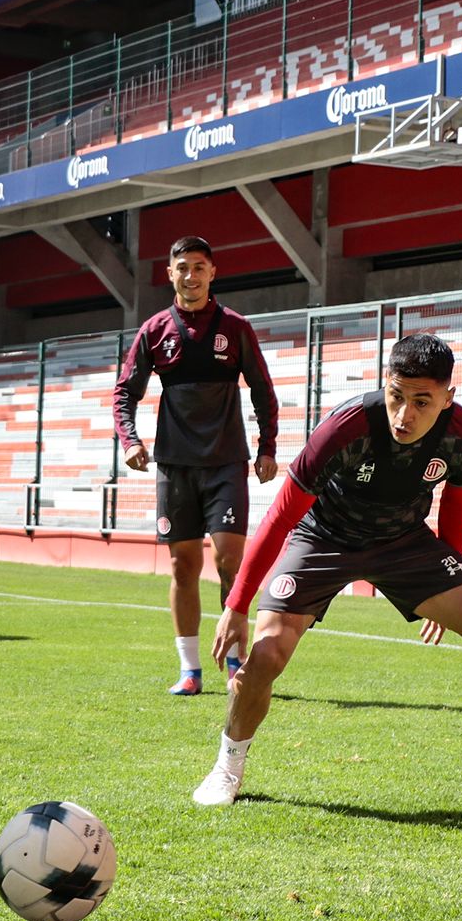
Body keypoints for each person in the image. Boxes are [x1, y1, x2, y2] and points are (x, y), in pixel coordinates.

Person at [193, 334, 462, 807]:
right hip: (324, 538)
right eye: (397, 396)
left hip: (403, 540)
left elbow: (455, 507)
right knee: (266, 655)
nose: (404, 415)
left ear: (448, 398)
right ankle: (227, 768)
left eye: (422, 402)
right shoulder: (344, 428)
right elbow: (281, 517)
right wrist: (237, 605)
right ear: (386, 384)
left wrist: (449, 582)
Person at [113, 235, 280, 696]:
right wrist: (130, 441)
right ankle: (190, 670)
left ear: (213, 272)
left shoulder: (235, 327)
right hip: (174, 464)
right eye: (182, 267)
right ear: (170, 274)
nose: (191, 275)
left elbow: (262, 389)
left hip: (227, 460)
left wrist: (268, 446)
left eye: (199, 267)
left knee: (230, 559)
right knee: (182, 566)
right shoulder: (155, 330)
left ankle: (235, 662)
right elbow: (125, 391)